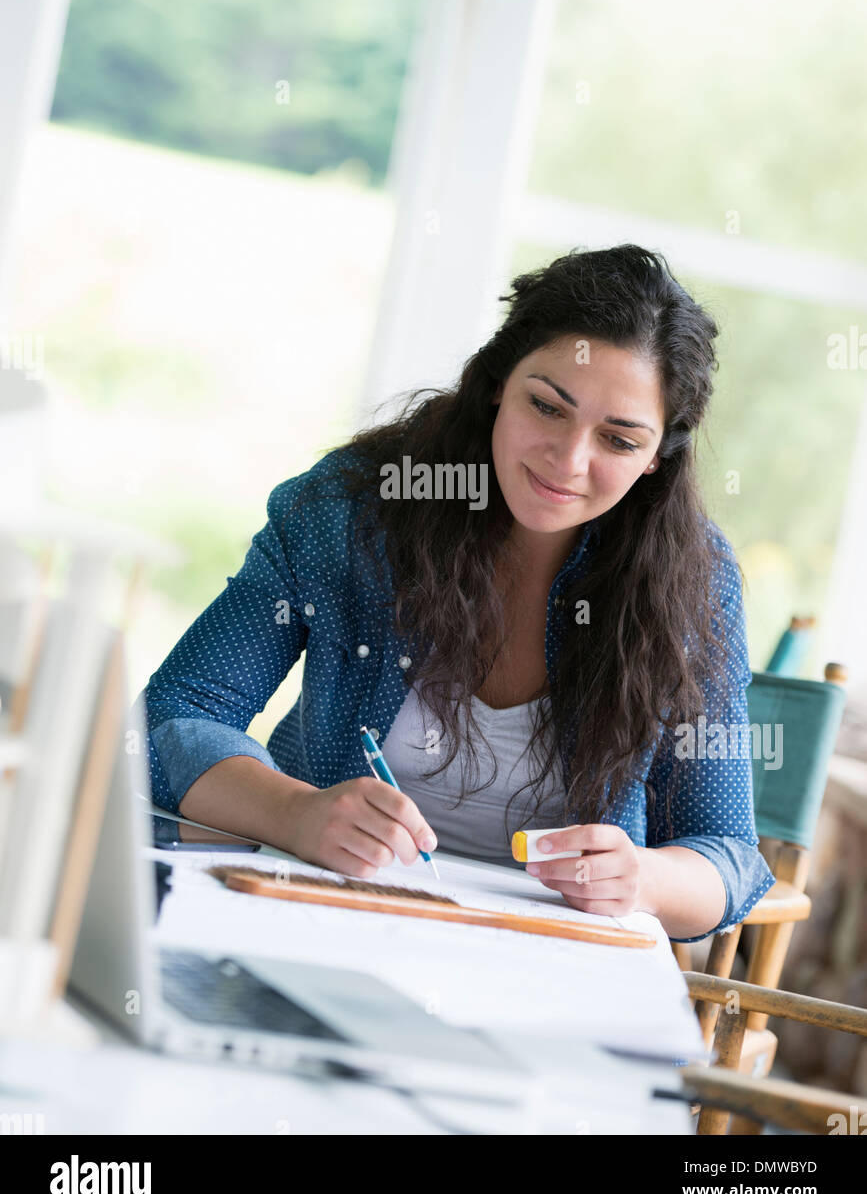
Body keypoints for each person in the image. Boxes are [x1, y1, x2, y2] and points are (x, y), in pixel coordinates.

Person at [137, 243, 775, 942]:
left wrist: (644, 878)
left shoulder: (694, 582)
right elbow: (172, 715)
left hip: (546, 959)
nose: (567, 461)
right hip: (315, 917)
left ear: (657, 456)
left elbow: (727, 857)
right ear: (497, 380)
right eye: (546, 406)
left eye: (618, 441)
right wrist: (294, 812)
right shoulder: (355, 509)